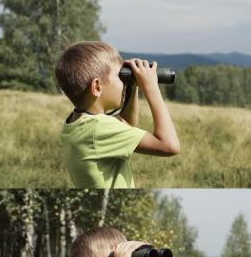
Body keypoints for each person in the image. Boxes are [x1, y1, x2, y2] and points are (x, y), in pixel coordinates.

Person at [55, 41, 180, 188]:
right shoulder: (98, 129)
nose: (123, 80)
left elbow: (127, 124)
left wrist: (132, 85)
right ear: (97, 87)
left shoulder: (78, 123)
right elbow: (170, 145)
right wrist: (151, 87)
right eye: (119, 76)